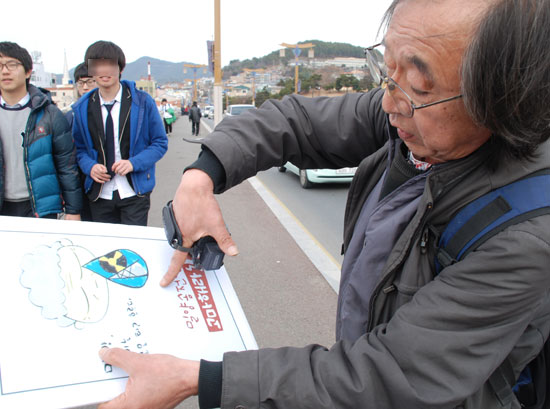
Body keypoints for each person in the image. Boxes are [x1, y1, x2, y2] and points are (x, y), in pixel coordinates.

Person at [98, 0, 550, 408]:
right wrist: (201, 176)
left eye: (417, 86)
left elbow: (385, 376)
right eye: (386, 72)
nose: (390, 102)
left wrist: (200, 378)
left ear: (504, 96)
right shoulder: (408, 118)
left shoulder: (524, 237)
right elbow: (293, 121)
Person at [72, 41, 168, 226]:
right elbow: (79, 149)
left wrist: (133, 163)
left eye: (109, 64)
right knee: (105, 250)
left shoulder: (142, 102)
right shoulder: (82, 107)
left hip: (134, 190)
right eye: (97, 65)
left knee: (132, 248)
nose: (104, 70)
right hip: (99, 192)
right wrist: (90, 167)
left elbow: (159, 142)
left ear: (120, 67)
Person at [0, 42, 82, 220]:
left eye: (12, 65)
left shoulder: (49, 114)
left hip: (41, 207)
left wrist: (73, 210)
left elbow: (67, 166)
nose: (5, 71)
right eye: (0, 66)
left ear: (28, 71)